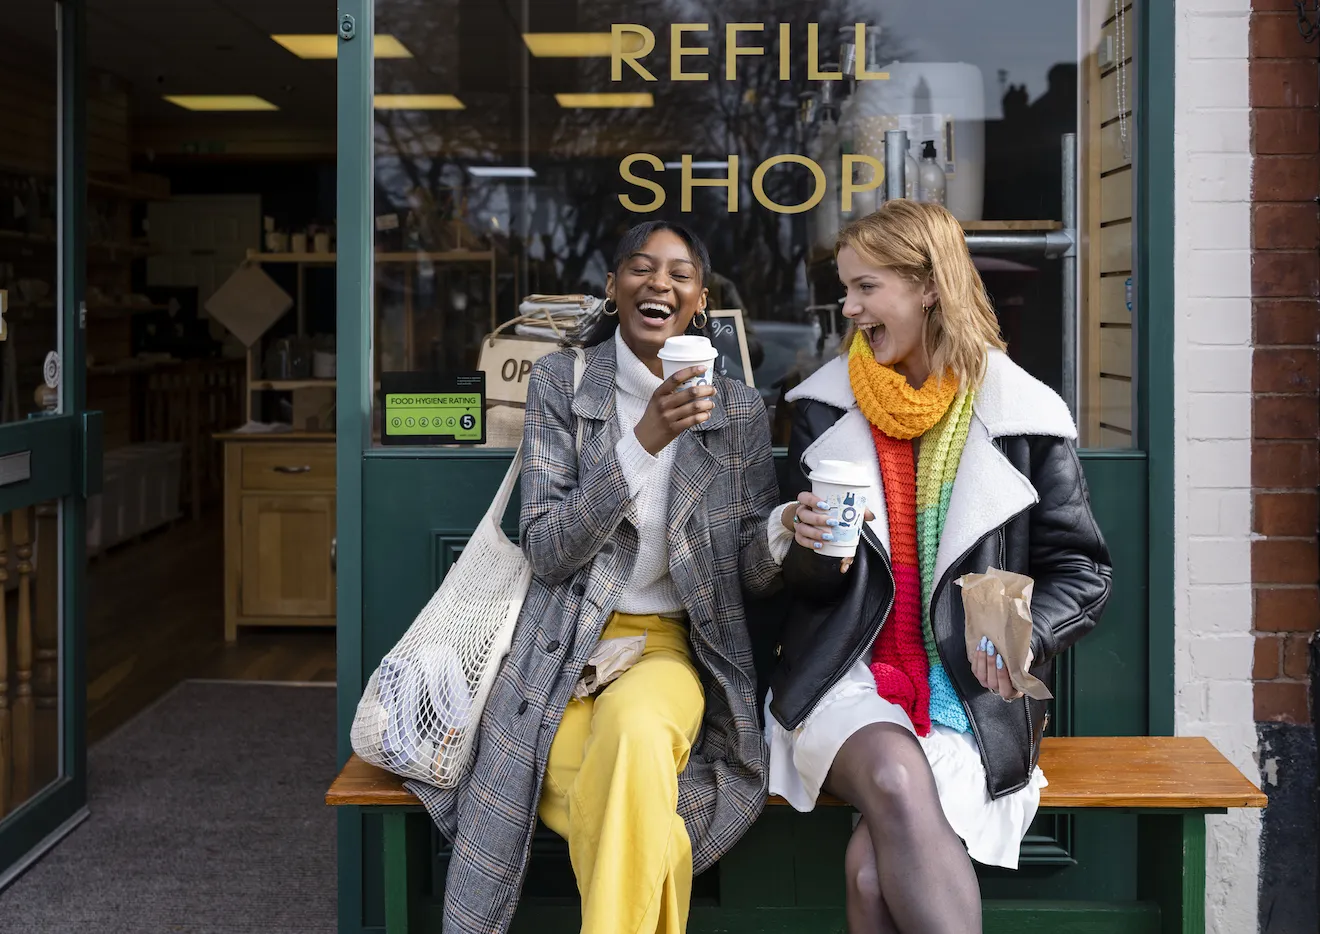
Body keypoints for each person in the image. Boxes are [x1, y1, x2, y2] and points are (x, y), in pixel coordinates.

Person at [410, 220, 786, 934]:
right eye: (641, 269)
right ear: (613, 288)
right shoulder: (563, 382)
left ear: (700, 303)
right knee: (637, 797)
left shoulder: (735, 410)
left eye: (680, 274)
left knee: (639, 735)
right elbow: (549, 549)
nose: (660, 284)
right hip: (559, 646)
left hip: (668, 646)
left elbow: (751, 575)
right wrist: (643, 441)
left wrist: (780, 533)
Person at [766, 200, 1112, 933]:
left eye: (868, 287)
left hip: (969, 692)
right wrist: (803, 543)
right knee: (892, 773)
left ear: (928, 287)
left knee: (868, 872)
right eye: (846, 288)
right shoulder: (823, 411)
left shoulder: (1021, 415)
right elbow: (801, 590)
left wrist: (1021, 635)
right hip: (846, 675)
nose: (850, 307)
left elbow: (1082, 572)